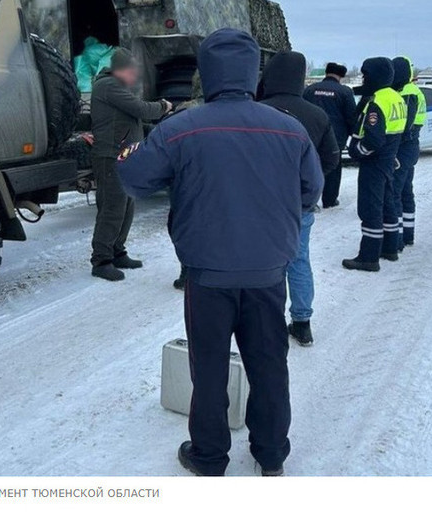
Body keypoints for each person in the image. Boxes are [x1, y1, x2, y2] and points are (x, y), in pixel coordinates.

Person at [116, 28, 324, 476]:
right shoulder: (291, 130)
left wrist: (127, 154)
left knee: (208, 366)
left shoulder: (181, 128)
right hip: (269, 270)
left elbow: (135, 179)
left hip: (208, 273)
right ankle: (271, 454)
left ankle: (209, 456)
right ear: (253, 73)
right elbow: (312, 191)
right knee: (269, 362)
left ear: (206, 73)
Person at [260, 51, 340, 346]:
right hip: (299, 204)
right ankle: (302, 322)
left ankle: (268, 322)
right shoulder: (316, 115)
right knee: (299, 259)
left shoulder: (255, 110)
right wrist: (308, 182)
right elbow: (331, 159)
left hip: (261, 204)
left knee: (266, 263)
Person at [89, 48, 172, 281]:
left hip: (125, 155)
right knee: (112, 208)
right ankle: (101, 260)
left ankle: (117, 251)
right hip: (110, 155)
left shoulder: (117, 87)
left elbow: (132, 119)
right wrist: (163, 107)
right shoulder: (108, 86)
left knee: (126, 205)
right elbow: (141, 109)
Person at [342, 57, 407, 271]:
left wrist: (358, 152)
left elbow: (374, 139)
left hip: (374, 163)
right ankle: (390, 247)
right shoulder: (396, 98)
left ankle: (368, 257)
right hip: (389, 159)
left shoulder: (377, 101)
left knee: (370, 207)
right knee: (388, 203)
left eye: (366, 75)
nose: (363, 78)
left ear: (375, 76)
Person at [303, 62, 357, 208]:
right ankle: (329, 200)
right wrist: (354, 134)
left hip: (311, 136)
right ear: (340, 76)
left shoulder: (310, 89)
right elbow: (351, 116)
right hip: (335, 138)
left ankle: (309, 199)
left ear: (326, 73)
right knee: (333, 167)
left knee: (309, 165)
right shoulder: (345, 92)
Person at [171, 71, 205, 291]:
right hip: (214, 178)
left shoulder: (184, 110)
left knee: (184, 225)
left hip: (185, 178)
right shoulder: (230, 110)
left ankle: (186, 271)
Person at [391, 57, 426, 250]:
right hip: (411, 147)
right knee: (405, 192)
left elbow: (404, 126)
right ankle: (408, 234)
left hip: (404, 148)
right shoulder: (411, 91)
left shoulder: (408, 93)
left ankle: (397, 238)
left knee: (396, 193)